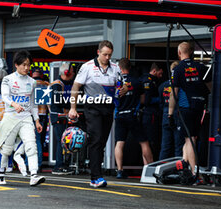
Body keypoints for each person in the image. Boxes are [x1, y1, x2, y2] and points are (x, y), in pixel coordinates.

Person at [68, 40, 120, 188]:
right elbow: (76, 86)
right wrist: (73, 108)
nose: (107, 58)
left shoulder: (115, 68)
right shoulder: (87, 67)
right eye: (105, 54)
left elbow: (120, 85)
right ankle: (95, 176)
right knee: (95, 140)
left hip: (108, 108)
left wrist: (122, 90)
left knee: (101, 142)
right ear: (98, 52)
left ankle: (96, 174)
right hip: (92, 108)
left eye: (110, 55)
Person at [0, 50, 45, 186]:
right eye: (23, 65)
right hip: (10, 117)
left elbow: (33, 103)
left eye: (28, 65)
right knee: (6, 149)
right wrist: (13, 104)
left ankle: (33, 174)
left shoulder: (32, 82)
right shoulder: (7, 79)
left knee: (31, 146)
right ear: (16, 64)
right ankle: (1, 173)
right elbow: (4, 96)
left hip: (26, 118)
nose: (26, 68)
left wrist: (37, 120)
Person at [168, 42, 211, 181]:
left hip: (186, 107)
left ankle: (194, 172)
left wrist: (170, 113)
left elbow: (173, 93)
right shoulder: (201, 67)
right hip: (199, 106)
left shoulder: (178, 69)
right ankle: (185, 164)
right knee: (192, 138)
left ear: (179, 52)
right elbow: (210, 87)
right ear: (192, 52)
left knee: (190, 139)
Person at [114, 58, 153, 179]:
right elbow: (142, 100)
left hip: (119, 115)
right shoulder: (136, 82)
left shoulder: (115, 82)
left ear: (119, 68)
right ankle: (151, 169)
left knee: (119, 143)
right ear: (130, 68)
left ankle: (119, 170)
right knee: (144, 142)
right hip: (132, 115)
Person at [50, 62, 75, 175]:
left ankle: (63, 164)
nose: (74, 74)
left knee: (65, 141)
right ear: (67, 73)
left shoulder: (64, 84)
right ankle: (59, 166)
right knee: (62, 141)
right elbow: (57, 101)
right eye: (72, 72)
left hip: (62, 116)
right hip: (58, 116)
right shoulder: (57, 84)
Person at [158, 61, 184, 160]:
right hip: (177, 113)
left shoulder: (162, 86)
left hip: (165, 113)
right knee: (179, 145)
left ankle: (160, 168)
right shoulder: (180, 86)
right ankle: (179, 169)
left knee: (165, 146)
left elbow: (160, 102)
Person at [140, 62, 163, 161]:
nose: (161, 76)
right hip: (150, 114)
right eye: (160, 73)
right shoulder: (149, 81)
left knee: (146, 141)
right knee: (150, 140)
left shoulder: (143, 79)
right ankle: (150, 164)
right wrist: (161, 99)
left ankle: (146, 165)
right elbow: (147, 100)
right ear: (154, 71)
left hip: (145, 113)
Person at [31, 67, 49, 172]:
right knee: (40, 141)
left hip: (33, 115)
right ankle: (39, 164)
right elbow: (49, 103)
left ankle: (32, 164)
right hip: (43, 115)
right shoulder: (46, 84)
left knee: (33, 140)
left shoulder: (29, 83)